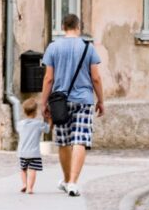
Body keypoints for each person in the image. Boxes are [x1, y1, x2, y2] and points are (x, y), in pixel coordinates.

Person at [39, 13, 104, 197]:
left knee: (64, 142)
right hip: (84, 100)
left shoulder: (53, 47)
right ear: (78, 27)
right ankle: (73, 182)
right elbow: (96, 78)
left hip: (60, 102)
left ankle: (67, 180)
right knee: (80, 140)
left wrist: (44, 103)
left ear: (63, 27)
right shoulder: (87, 47)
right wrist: (101, 100)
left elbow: (48, 78)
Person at [16, 97, 46, 194]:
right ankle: (30, 188)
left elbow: (18, 131)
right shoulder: (39, 124)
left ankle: (24, 184)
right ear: (36, 112)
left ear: (24, 111)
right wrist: (49, 120)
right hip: (34, 153)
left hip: (22, 152)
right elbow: (47, 129)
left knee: (23, 169)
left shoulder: (19, 124)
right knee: (32, 170)